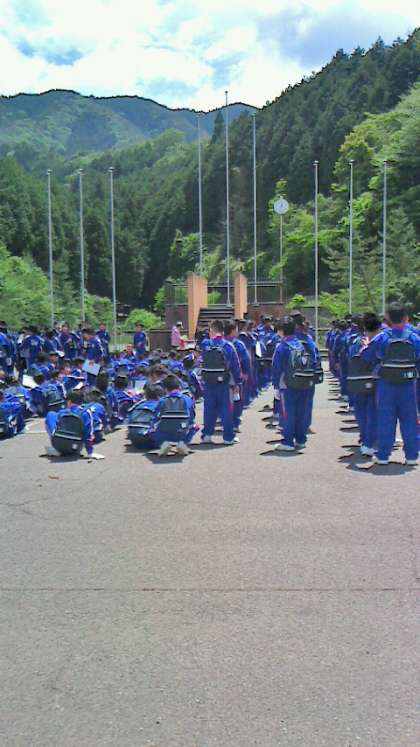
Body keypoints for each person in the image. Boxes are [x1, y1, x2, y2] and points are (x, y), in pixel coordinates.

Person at [360, 302, 420, 466]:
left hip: (386, 383)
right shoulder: (413, 337)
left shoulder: (382, 337)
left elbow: (366, 356)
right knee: (410, 419)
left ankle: (383, 455)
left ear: (387, 318)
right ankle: (412, 456)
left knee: (385, 419)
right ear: (406, 318)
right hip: (408, 384)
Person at [271, 316, 314, 451]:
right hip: (304, 382)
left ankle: (288, 442)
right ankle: (301, 439)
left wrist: (276, 386)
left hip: (287, 385)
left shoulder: (282, 347)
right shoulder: (302, 344)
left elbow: (276, 368)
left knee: (288, 413)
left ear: (281, 330)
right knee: (301, 412)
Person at [201, 319, 241, 445]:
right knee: (226, 410)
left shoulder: (205, 344)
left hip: (208, 381)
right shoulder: (228, 346)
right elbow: (235, 366)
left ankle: (207, 435)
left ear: (212, 331)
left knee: (209, 409)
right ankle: (228, 437)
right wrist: (237, 383)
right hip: (224, 382)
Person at [152, 374, 197, 456]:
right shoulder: (187, 399)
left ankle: (163, 443)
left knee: (151, 428)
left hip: (164, 432)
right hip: (182, 432)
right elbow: (192, 416)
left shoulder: (162, 400)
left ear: (165, 389)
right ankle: (183, 443)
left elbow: (155, 418)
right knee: (194, 426)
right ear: (179, 387)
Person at [45, 389, 97, 458]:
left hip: (59, 445)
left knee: (50, 414)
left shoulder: (62, 412)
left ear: (69, 401)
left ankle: (55, 446)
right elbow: (88, 433)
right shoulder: (86, 412)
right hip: (76, 446)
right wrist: (90, 452)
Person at [127, 383, 164, 450]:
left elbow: (129, 417)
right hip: (150, 440)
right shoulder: (160, 405)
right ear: (159, 396)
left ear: (146, 396)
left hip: (134, 440)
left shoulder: (138, 405)